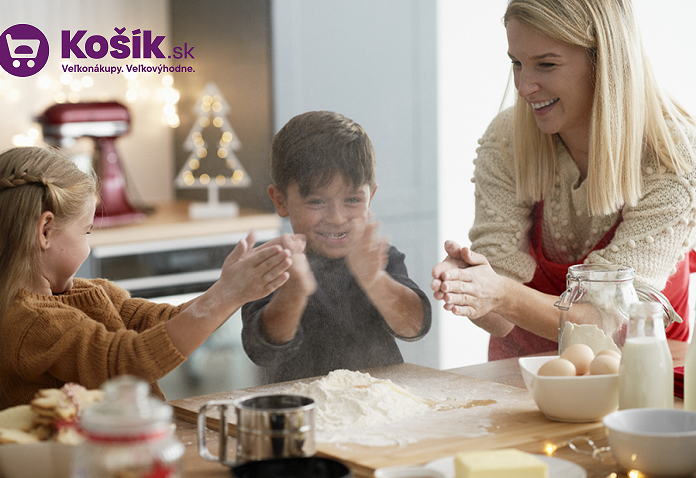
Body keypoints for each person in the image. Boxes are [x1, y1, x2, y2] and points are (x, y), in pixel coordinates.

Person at [431, 0, 696, 360]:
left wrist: (501, 294)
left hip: (639, 383)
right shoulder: (507, 140)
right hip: (520, 381)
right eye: (516, 63)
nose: (524, 87)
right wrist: (469, 286)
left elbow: (612, 324)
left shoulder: (673, 157)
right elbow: (498, 317)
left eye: (546, 64)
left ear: (603, 60)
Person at [0, 146, 294, 427]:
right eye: (86, 231)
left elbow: (159, 323)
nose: (88, 245)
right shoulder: (28, 322)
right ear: (45, 231)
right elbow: (125, 363)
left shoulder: (82, 295)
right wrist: (228, 295)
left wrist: (227, 290)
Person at [242, 110, 432, 383]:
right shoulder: (271, 264)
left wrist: (374, 279)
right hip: (299, 410)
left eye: (352, 200)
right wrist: (293, 292)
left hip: (377, 403)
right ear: (280, 200)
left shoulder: (377, 257)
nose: (337, 218)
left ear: (371, 197)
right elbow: (263, 349)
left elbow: (415, 326)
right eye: (317, 202)